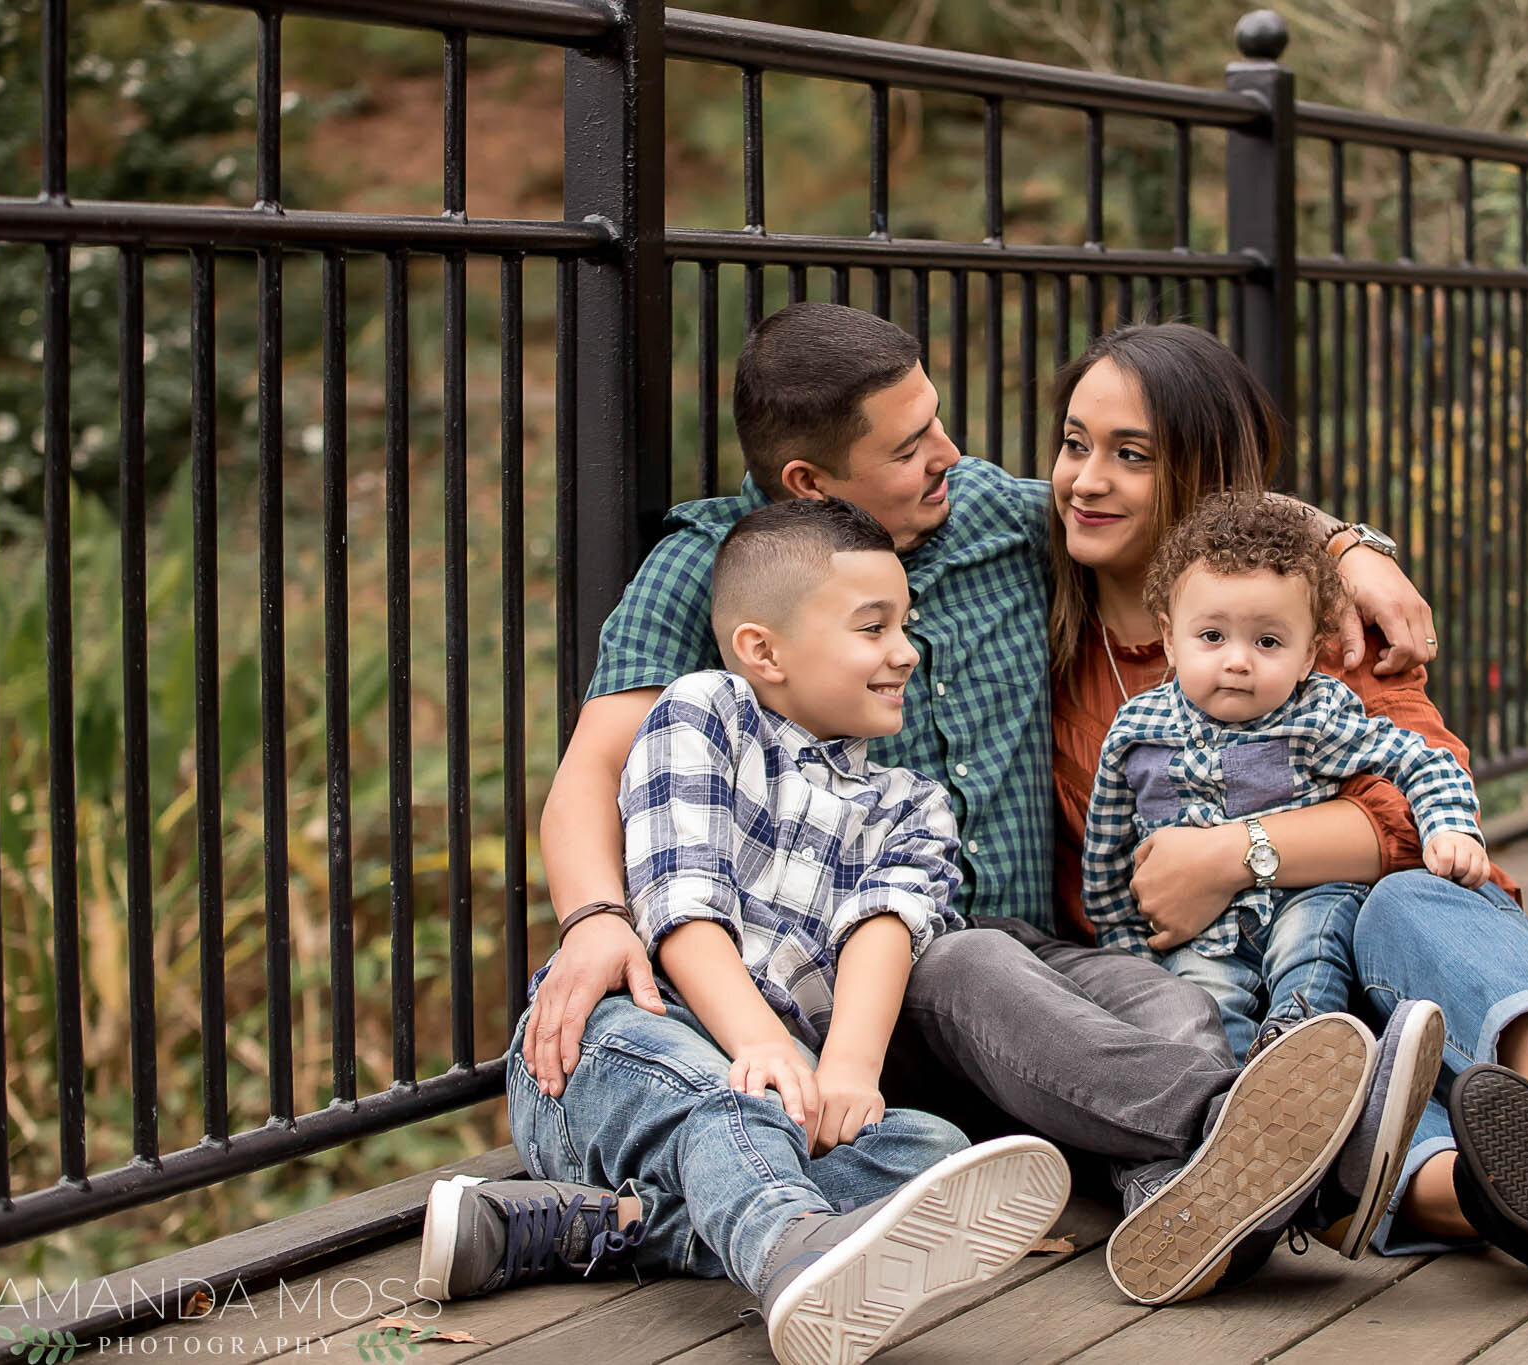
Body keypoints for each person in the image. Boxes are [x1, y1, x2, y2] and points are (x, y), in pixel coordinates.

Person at [499, 303, 1435, 1311]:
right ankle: (1291, 1156)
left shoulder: (991, 515)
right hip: (866, 988)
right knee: (962, 973)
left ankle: (1185, 1192)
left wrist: (1345, 546)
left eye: (937, 421)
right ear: (812, 482)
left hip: (1015, 957)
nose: (953, 453)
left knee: (1150, 996)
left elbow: (1183, 500)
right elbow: (594, 774)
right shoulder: (726, 570)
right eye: (911, 447)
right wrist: (594, 916)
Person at [1045, 322, 1528, 1293]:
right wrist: (1341, 534)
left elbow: (1420, 810)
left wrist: (1233, 854)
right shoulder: (1051, 624)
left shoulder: (1312, 625)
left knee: (1414, 899)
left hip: (1399, 954)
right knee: (1275, 1085)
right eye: (1074, 444)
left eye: (1130, 455)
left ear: (1204, 478)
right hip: (1233, 993)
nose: (1085, 480)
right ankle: (1518, 1202)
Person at [417, 497, 1074, 1365]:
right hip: (614, 1045)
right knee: (743, 1097)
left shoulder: (912, 804)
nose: (906, 651)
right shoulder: (704, 712)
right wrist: (766, 1047)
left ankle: (597, 1227)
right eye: (873, 627)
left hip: (777, 1089)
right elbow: (678, 906)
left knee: (930, 1148)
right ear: (764, 650)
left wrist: (846, 1066)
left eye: (905, 624)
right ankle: (792, 1250)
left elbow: (888, 922)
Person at [1084, 492, 1489, 1065]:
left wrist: (1449, 828)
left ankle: (1297, 1047)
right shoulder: (1136, 734)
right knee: (1197, 1007)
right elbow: (1108, 861)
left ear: (1306, 657)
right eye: (1212, 637)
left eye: (1268, 642)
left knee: (1313, 941)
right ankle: (1233, 1100)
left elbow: (1420, 758)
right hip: (1202, 935)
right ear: (1170, 638)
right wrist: (1131, 958)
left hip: (1301, 896)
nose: (1238, 660)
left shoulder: (1315, 716)